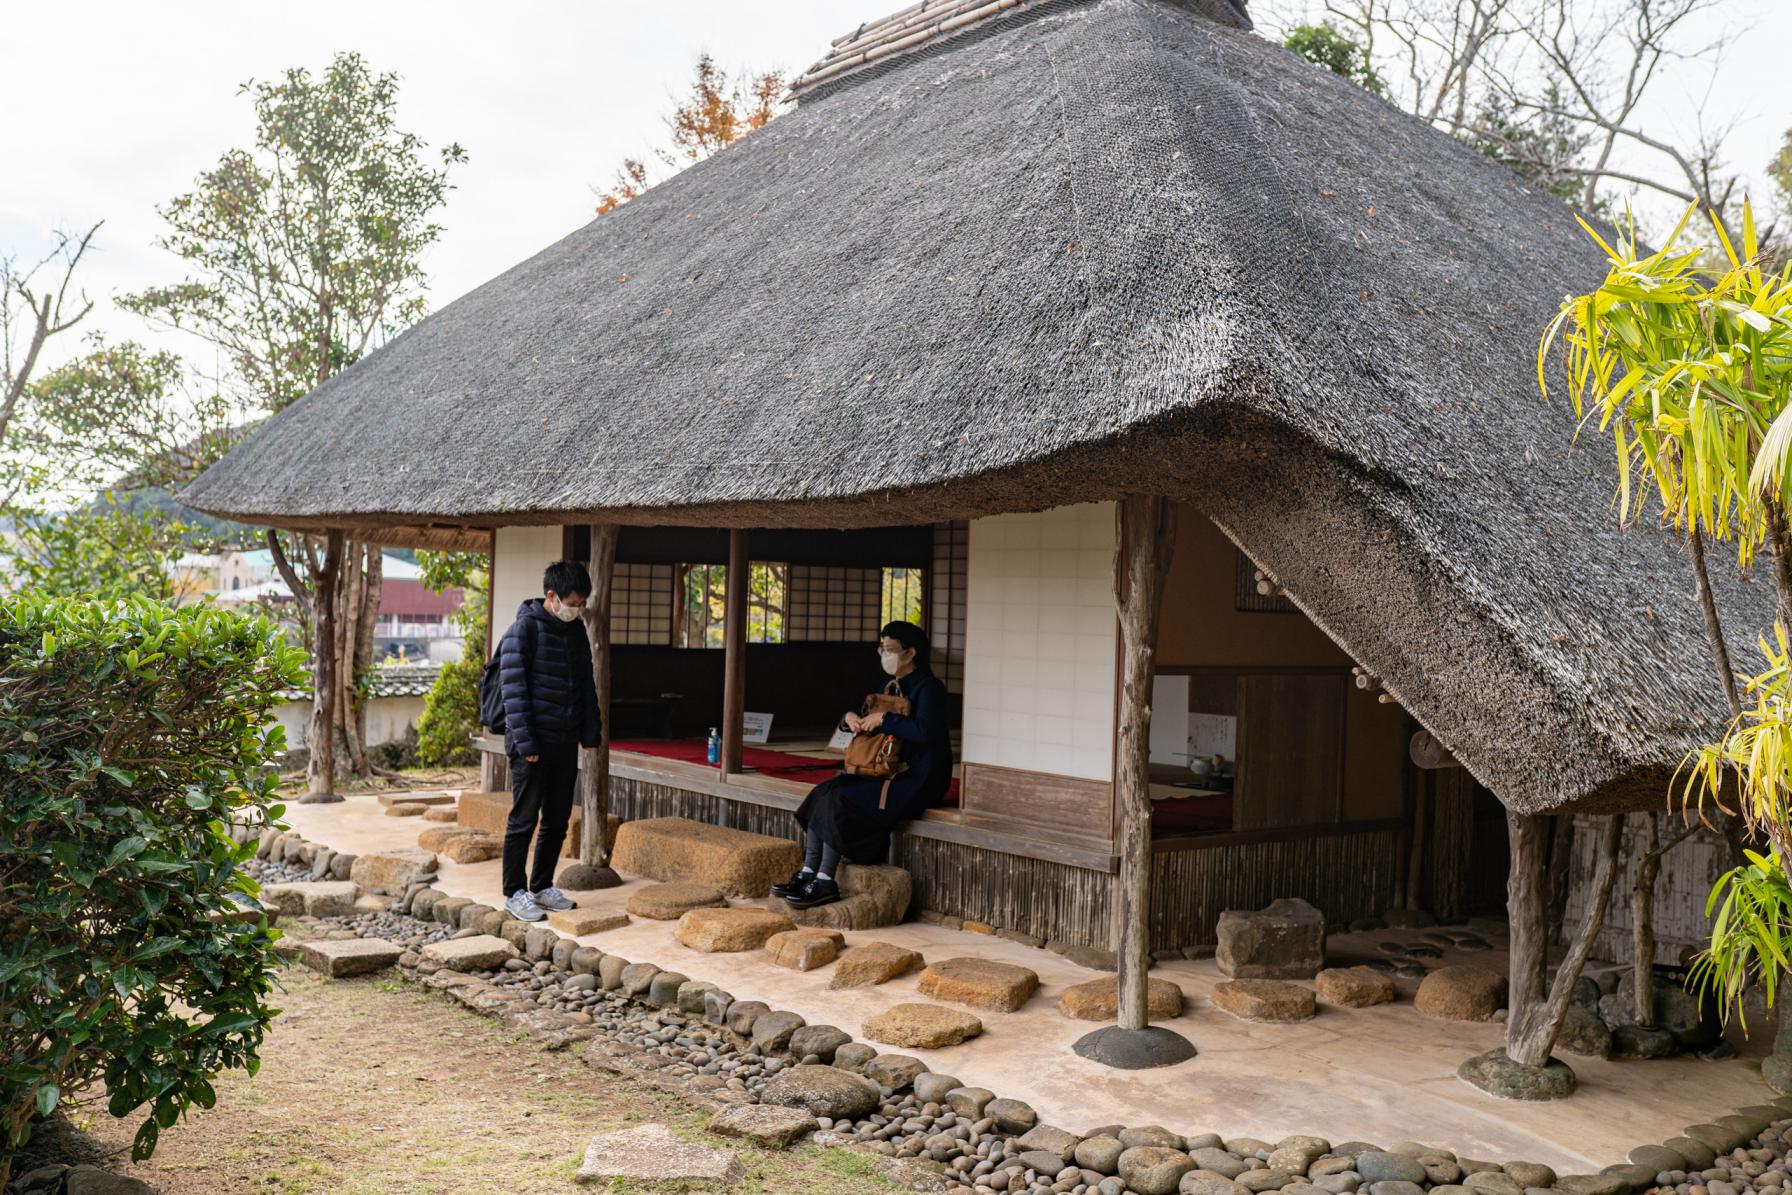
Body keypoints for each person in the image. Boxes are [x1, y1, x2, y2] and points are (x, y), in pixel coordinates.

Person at [775, 621, 953, 908]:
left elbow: (925, 733)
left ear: (910, 653)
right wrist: (851, 719)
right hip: (881, 769)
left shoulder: (929, 687)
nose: (885, 654)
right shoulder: (888, 684)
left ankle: (825, 879)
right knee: (825, 791)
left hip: (917, 777)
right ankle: (808, 870)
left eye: (891, 649)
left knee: (842, 800)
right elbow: (867, 722)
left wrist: (885, 719)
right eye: (882, 648)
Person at [496, 560, 603, 922]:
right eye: (572, 602)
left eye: (581, 604)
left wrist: (591, 732)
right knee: (523, 820)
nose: (576, 610)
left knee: (557, 819)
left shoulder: (575, 632)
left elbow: (587, 684)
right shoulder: (523, 630)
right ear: (552, 596)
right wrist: (527, 745)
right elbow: (513, 692)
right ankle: (515, 891)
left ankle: (542, 886)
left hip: (564, 739)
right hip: (531, 744)